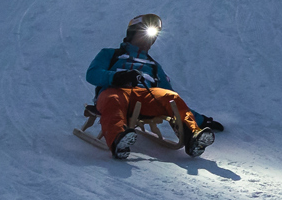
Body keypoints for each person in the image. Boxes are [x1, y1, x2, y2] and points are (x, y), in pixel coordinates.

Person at [86, 13, 215, 159]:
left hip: (144, 98)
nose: (148, 39)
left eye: (152, 36)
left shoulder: (154, 66)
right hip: (115, 91)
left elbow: (173, 98)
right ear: (132, 33)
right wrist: (118, 77)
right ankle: (118, 140)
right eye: (144, 34)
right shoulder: (110, 54)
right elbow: (92, 74)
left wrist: (202, 120)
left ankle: (193, 136)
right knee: (113, 99)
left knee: (170, 97)